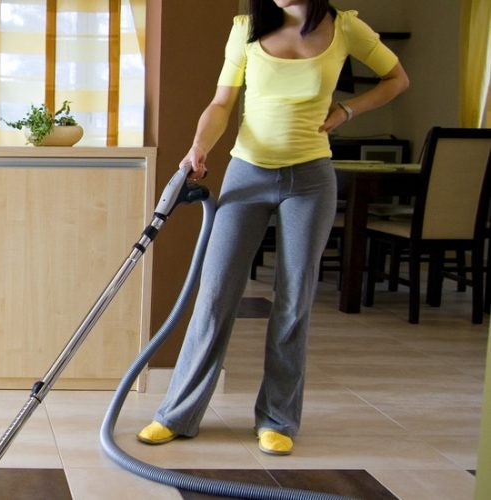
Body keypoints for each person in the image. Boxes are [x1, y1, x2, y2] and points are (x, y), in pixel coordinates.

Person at [136, 0, 409, 455]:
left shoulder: (345, 28)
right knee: (216, 292)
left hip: (311, 179)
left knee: (293, 300)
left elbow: (397, 79)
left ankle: (277, 419)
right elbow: (222, 102)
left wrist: (346, 111)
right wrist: (198, 147)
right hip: (248, 172)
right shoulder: (246, 28)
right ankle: (177, 414)